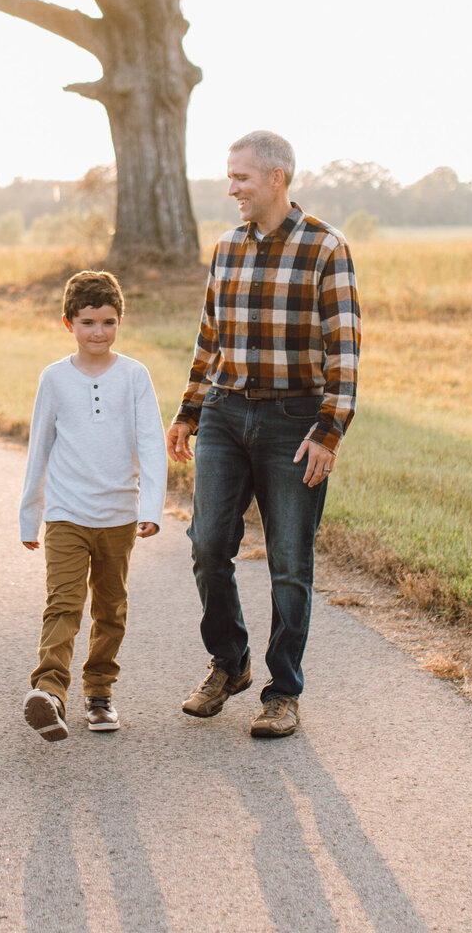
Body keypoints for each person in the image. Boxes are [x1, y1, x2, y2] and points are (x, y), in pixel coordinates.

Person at [167, 131, 361, 739]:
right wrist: (189, 411)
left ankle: (283, 693)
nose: (232, 189)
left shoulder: (327, 247)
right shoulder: (226, 247)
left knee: (288, 562)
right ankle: (230, 664)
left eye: (242, 178)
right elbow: (208, 337)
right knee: (207, 546)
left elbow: (345, 353)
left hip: (293, 423)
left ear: (276, 178)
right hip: (225, 412)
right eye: (230, 177)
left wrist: (328, 434)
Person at [19, 269, 167, 742]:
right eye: (87, 322)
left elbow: (151, 444)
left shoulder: (134, 376)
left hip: (119, 515)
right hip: (66, 512)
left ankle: (99, 690)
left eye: (107, 322)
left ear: (119, 321)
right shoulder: (55, 379)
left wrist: (151, 509)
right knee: (63, 603)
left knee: (110, 608)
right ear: (69, 324)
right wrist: (31, 513)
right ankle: (49, 692)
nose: (98, 332)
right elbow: (39, 447)